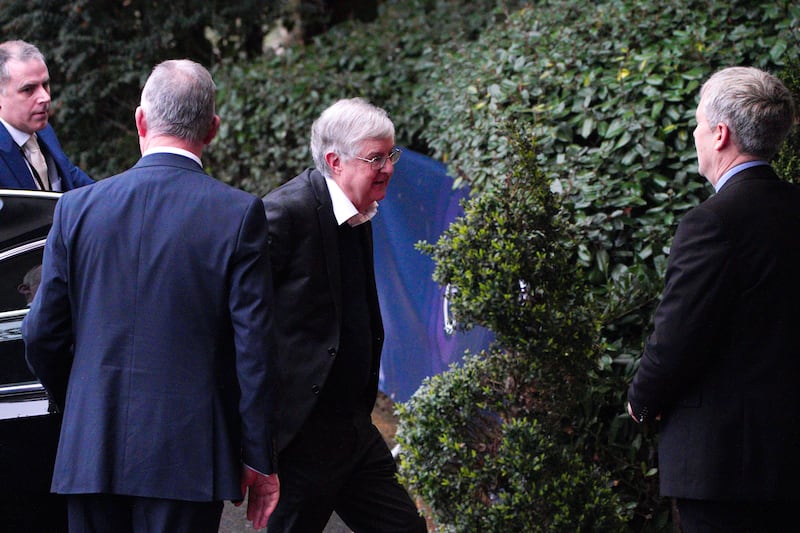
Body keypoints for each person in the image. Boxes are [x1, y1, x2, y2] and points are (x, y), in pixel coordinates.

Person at [23, 59, 280, 533]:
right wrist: (259, 457)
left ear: (140, 121)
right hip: (188, 460)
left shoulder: (77, 209)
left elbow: (41, 334)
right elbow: (255, 351)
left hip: (90, 453)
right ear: (213, 129)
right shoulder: (239, 215)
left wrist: (83, 400)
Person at [627, 66, 799, 531]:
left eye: (700, 124)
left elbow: (677, 337)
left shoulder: (712, 223)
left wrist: (640, 400)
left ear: (720, 134)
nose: (696, 134)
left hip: (725, 468)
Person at [263, 97, 427, 533]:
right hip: (302, 440)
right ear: (335, 161)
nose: (389, 167)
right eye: (376, 157)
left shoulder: (362, 214)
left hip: (354, 430)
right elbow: (243, 321)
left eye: (391, 155)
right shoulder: (283, 214)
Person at [0, 40, 93, 191]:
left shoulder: (44, 132)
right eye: (28, 89)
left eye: (45, 85)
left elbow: (79, 185)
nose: (45, 97)